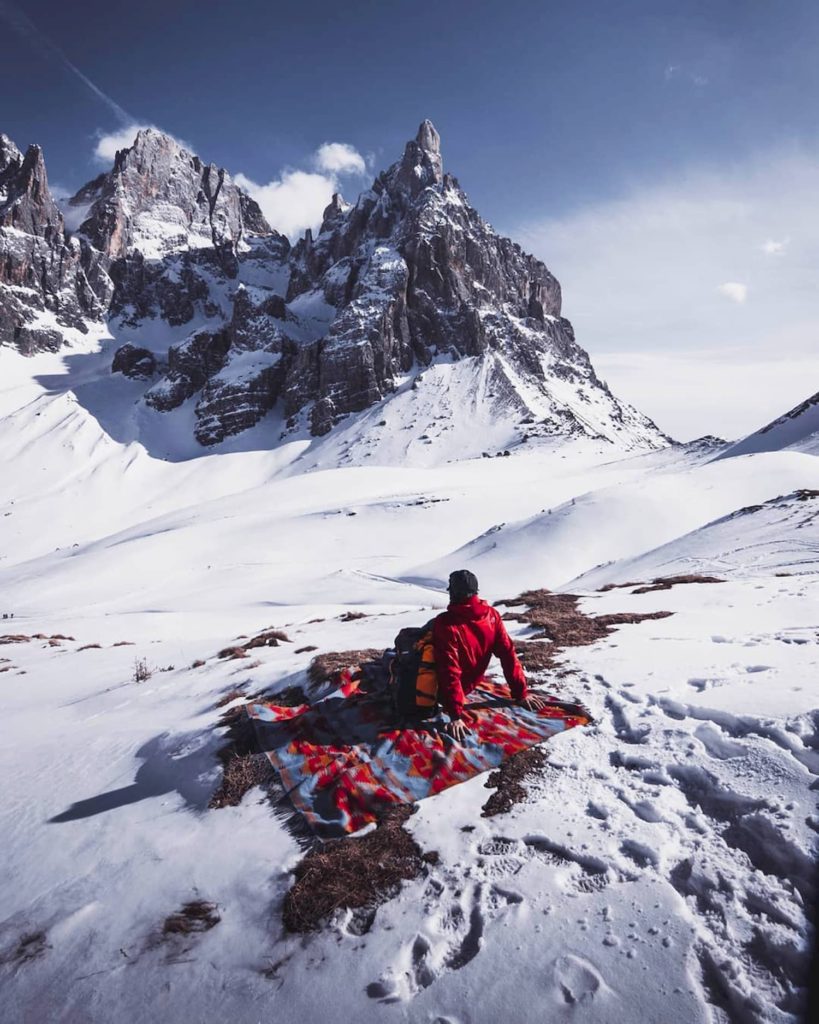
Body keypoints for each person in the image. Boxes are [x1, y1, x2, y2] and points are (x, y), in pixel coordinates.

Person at [432, 569, 550, 741]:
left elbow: (449, 670)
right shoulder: (491, 615)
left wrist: (455, 715)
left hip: (442, 693)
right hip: (468, 687)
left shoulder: (445, 623)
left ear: (455, 593)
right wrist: (520, 693)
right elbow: (508, 654)